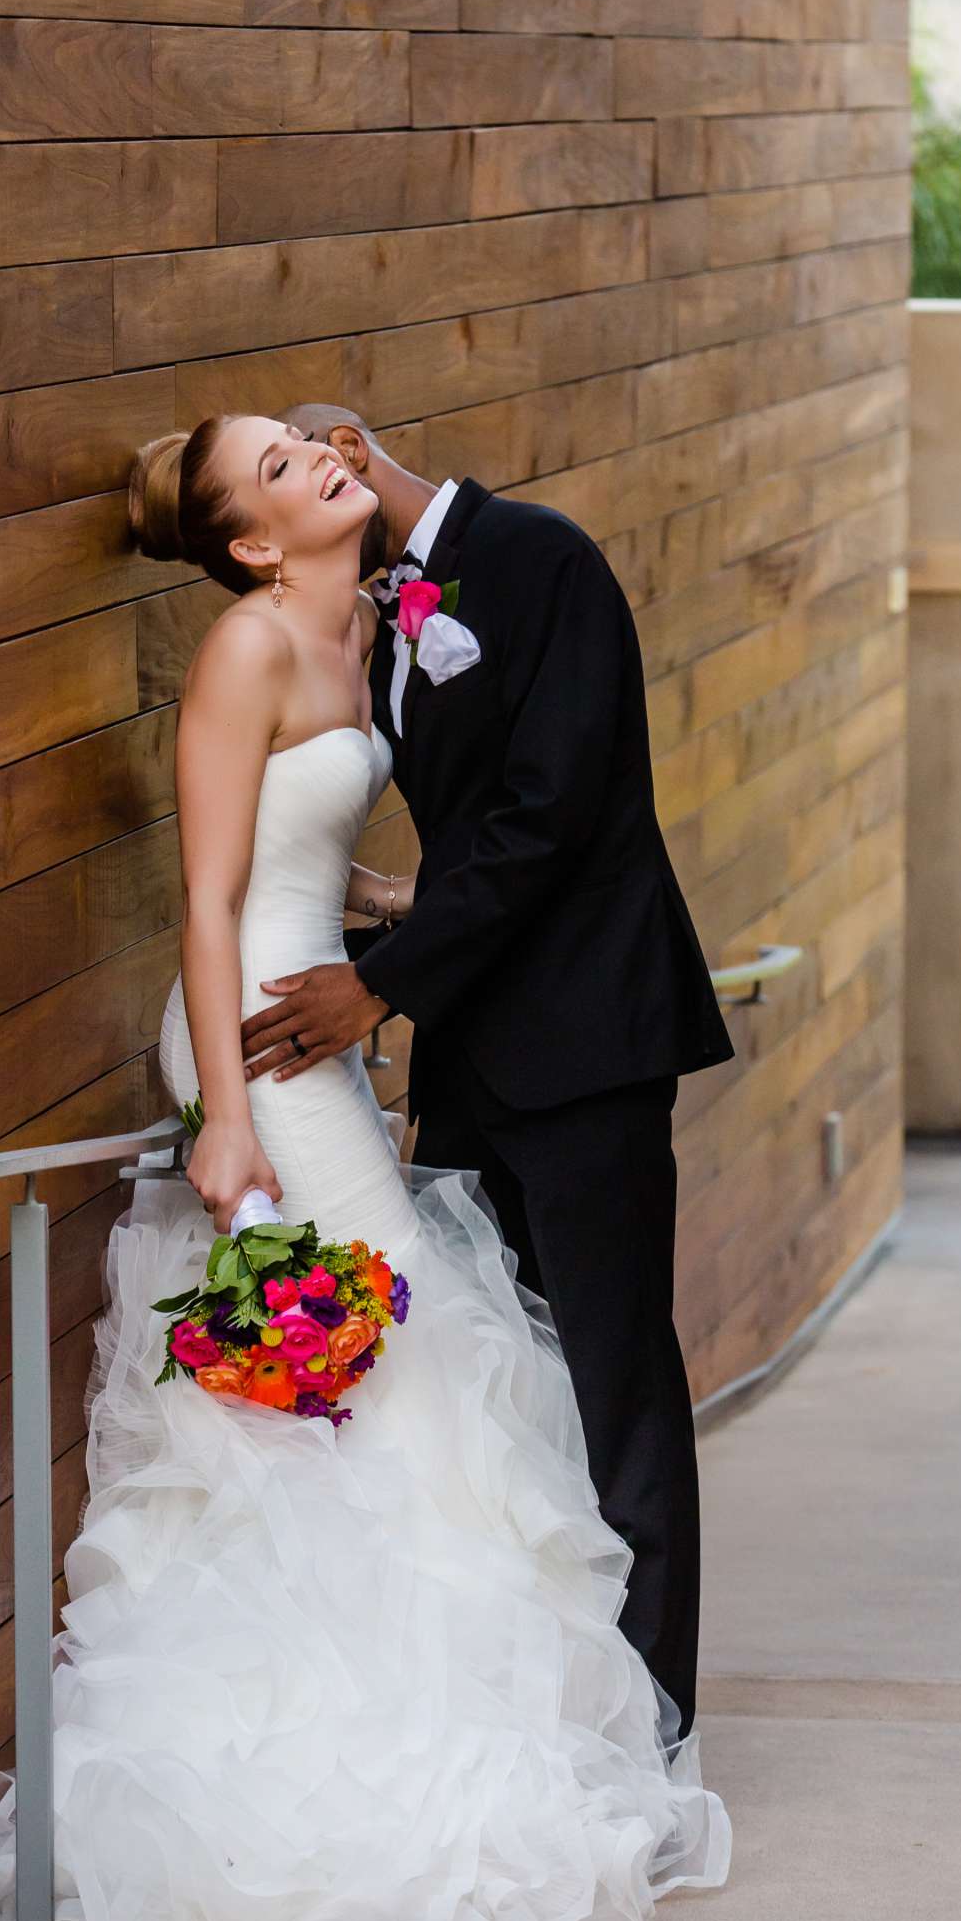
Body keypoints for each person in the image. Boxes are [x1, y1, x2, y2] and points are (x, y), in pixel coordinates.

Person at [0, 414, 728, 1921]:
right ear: (251, 539)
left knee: (485, 1369)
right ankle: (365, 1742)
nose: (315, 459)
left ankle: (568, 1733)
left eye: (308, 442)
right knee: (409, 1361)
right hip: (275, 1039)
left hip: (420, 1020)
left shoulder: (485, 581)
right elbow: (212, 893)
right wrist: (227, 1116)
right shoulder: (263, 642)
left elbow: (519, 824)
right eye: (274, 463)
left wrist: (383, 948)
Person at [239, 405, 733, 1737]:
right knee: (498, 1381)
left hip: (588, 1049)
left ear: (353, 435)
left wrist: (381, 983)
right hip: (473, 1056)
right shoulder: (378, 611)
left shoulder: (540, 560)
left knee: (616, 1381)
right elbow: (478, 832)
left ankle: (652, 1715)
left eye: (312, 447)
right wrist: (390, 907)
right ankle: (545, 1684)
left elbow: (554, 811)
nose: (322, 471)